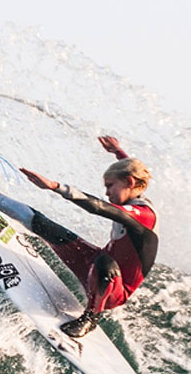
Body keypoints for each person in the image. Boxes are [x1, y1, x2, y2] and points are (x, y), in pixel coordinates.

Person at [10, 136, 158, 338]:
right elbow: (132, 172)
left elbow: (98, 207)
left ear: (129, 182)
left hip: (113, 289)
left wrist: (55, 186)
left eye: (110, 186)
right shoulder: (132, 191)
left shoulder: (143, 216)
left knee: (105, 263)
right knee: (47, 226)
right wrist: (117, 152)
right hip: (92, 266)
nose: (107, 193)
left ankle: (90, 318)